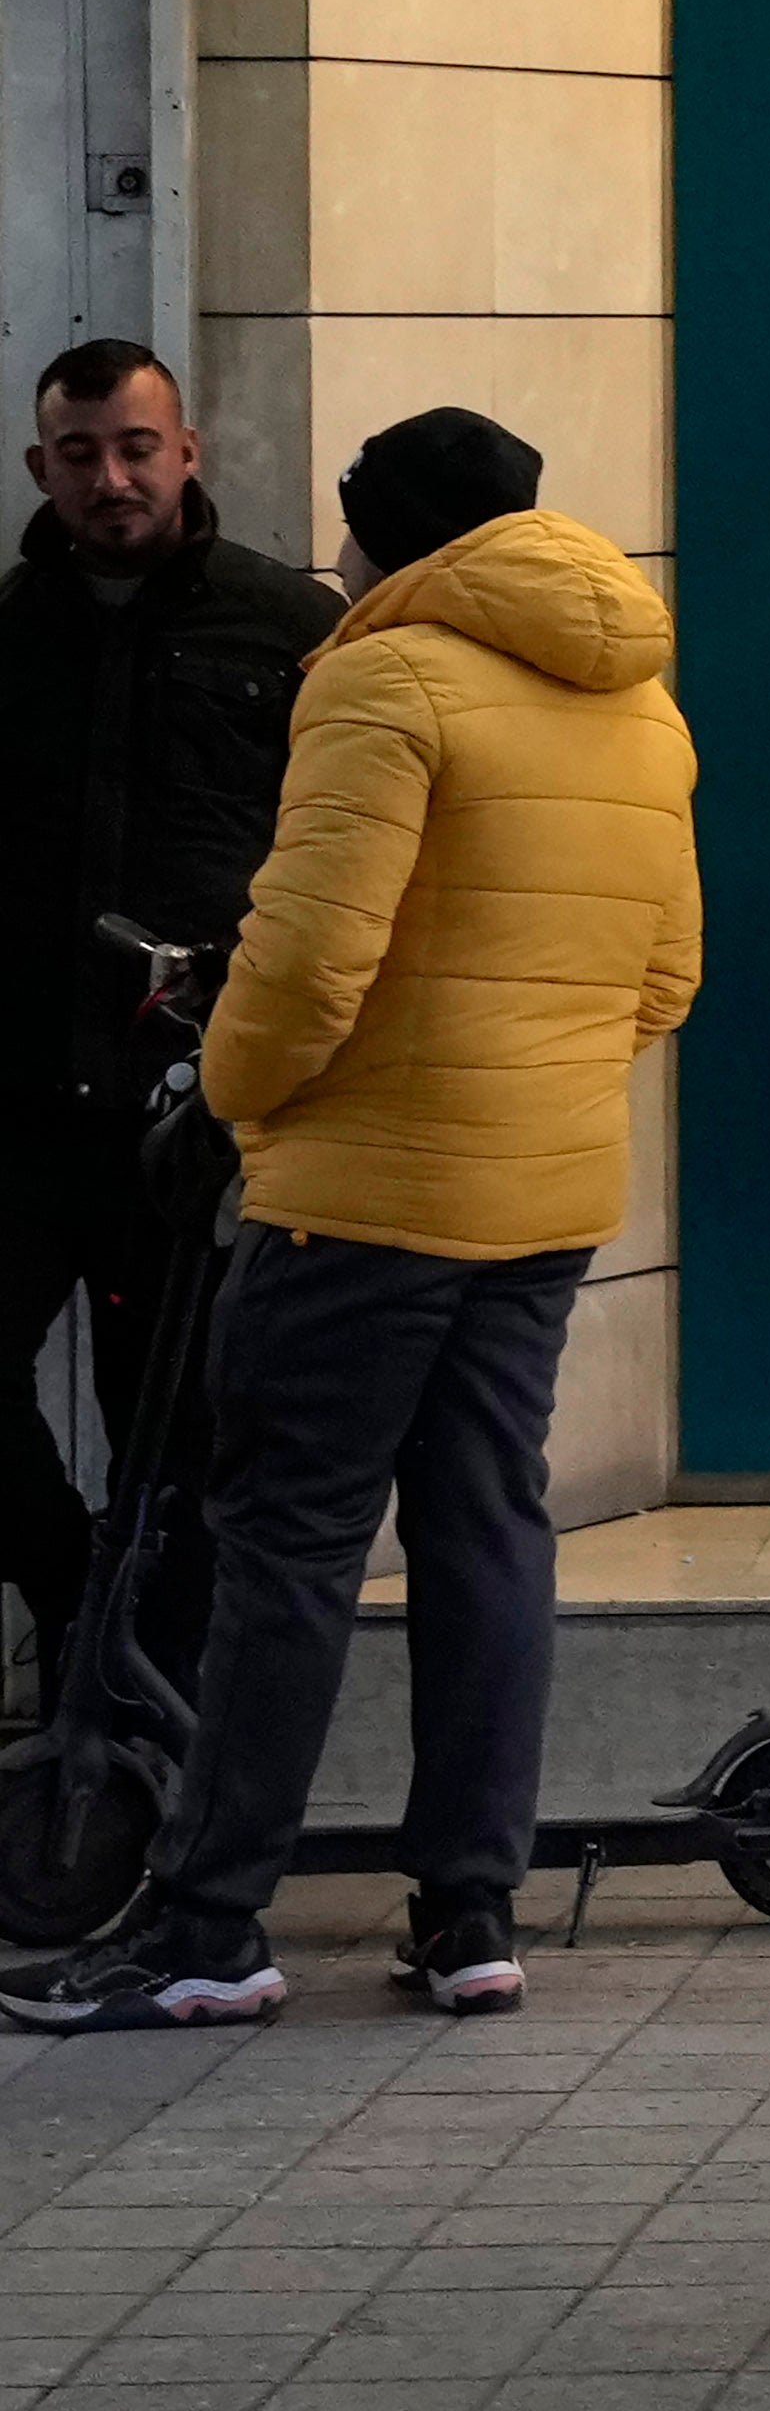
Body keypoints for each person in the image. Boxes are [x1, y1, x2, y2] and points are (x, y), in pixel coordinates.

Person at [3, 408, 699, 2031]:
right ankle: (470, 1914)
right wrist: (526, 1084)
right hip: (543, 1194)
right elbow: (667, 975)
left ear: (388, 535)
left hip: (364, 1201)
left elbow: (309, 957)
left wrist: (233, 1095)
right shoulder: (636, 697)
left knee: (288, 1546)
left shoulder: (384, 677)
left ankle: (208, 1928)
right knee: (487, 1530)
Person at [0, 341, 334, 1662]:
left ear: (188, 453)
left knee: (187, 1432)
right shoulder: (10, 631)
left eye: (137, 447)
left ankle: (156, 1710)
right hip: (24, 1105)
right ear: (42, 467)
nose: (112, 478)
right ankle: (78, 1609)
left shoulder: (291, 628)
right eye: (81, 454)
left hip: (196, 1116)